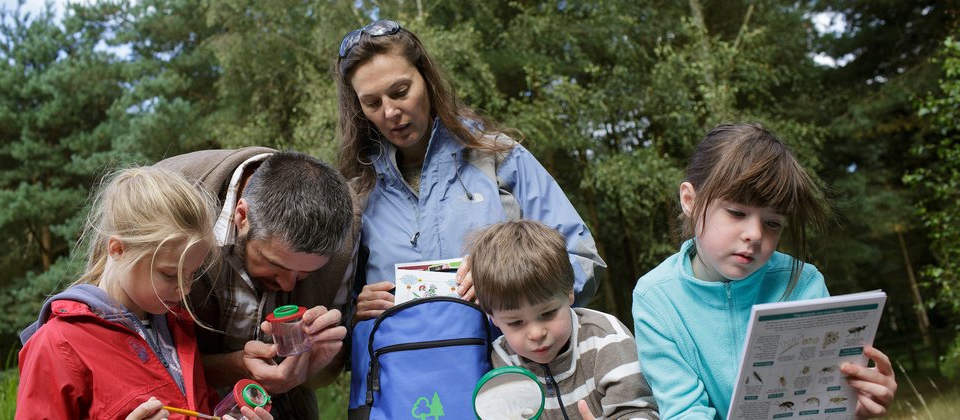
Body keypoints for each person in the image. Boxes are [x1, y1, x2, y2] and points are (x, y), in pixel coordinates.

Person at [333, 19, 606, 405]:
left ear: (426, 78)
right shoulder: (353, 193)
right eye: (373, 103)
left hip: (510, 388)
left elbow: (581, 259)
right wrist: (354, 310)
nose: (391, 111)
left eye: (401, 91)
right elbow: (326, 319)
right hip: (398, 397)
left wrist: (506, 282)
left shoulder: (500, 159)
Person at [632, 123, 898, 419]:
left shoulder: (803, 283)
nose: (755, 235)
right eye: (736, 212)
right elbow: (684, 410)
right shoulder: (655, 297)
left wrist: (852, 407)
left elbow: (819, 398)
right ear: (690, 201)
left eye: (772, 223)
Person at [16, 166, 272, 420]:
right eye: (169, 274)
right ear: (117, 249)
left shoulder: (178, 327)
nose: (185, 289)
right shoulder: (58, 343)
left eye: (192, 274)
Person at [155, 148, 358, 418]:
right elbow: (132, 354)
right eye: (277, 265)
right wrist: (235, 366)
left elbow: (321, 378)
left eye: (304, 275)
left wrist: (313, 364)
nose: (288, 286)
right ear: (242, 216)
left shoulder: (345, 234)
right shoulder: (165, 196)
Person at [465, 220, 659, 419]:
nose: (536, 333)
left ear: (569, 293)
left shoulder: (605, 339)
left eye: (547, 314)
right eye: (515, 323)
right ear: (492, 316)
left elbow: (639, 411)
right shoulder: (501, 362)